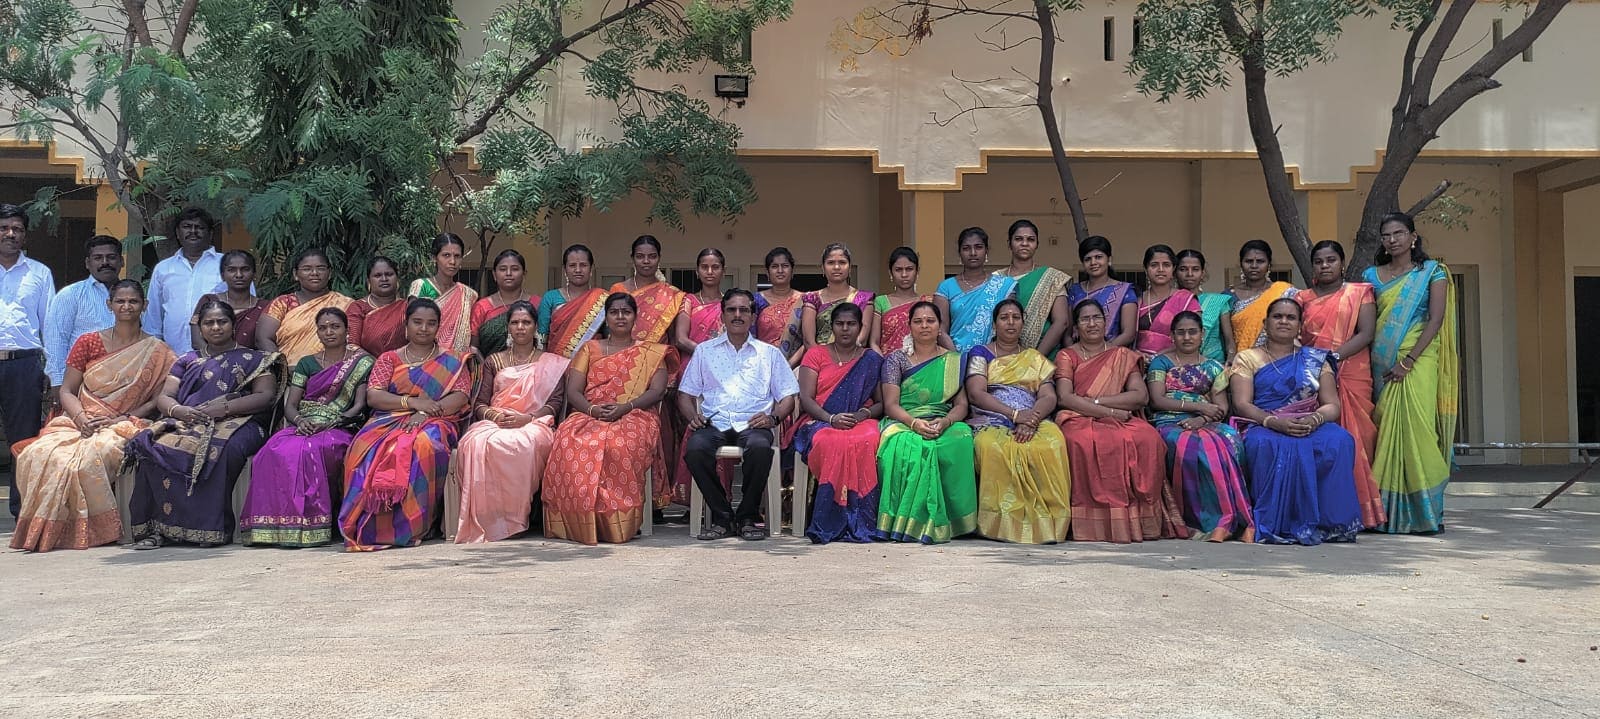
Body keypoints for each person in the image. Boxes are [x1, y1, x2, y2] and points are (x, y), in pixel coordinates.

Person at [11, 280, 174, 551]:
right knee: (38, 453)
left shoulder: (158, 351)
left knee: (96, 454)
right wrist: (81, 419)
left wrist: (123, 418)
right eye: (120, 301)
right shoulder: (88, 342)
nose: (126, 306)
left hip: (126, 422)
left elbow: (157, 399)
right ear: (109, 305)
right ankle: (49, 528)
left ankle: (97, 531)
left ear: (144, 305)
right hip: (80, 420)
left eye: (133, 301)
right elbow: (67, 390)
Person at [125, 301, 281, 548]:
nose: (216, 327)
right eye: (209, 323)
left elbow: (265, 396)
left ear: (233, 325)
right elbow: (166, 397)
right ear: (200, 327)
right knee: (153, 448)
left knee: (222, 450)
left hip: (240, 421)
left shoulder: (255, 358)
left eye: (222, 321)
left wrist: (224, 409)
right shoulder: (187, 360)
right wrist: (180, 411)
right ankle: (156, 530)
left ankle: (209, 529)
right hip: (189, 419)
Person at [340, 299, 478, 551]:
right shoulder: (389, 359)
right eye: (417, 322)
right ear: (406, 325)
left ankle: (413, 525)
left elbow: (460, 397)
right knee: (362, 448)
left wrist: (425, 413)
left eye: (431, 323)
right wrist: (412, 403)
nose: (424, 328)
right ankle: (367, 526)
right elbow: (374, 396)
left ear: (438, 327)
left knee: (424, 444)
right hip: (388, 420)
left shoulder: (453, 360)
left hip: (437, 420)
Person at [1228, 298, 1363, 545]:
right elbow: (1242, 404)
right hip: (1263, 422)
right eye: (1277, 316)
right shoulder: (1247, 358)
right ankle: (1278, 522)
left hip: (1308, 421)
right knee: (1263, 445)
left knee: (1339, 441)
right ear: (1265, 323)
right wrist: (1273, 422)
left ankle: (1330, 523)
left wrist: (1314, 419)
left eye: (1291, 317)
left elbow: (1332, 404)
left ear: (1300, 326)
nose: (1284, 321)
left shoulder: (1315, 359)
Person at [1054, 299, 1186, 543]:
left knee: (1148, 438)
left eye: (1097, 318)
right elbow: (1065, 397)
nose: (1092, 324)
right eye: (1085, 319)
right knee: (1081, 440)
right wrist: (1109, 412)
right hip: (1079, 416)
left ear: (1106, 322)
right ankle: (1094, 524)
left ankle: (1141, 522)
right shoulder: (1067, 355)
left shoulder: (1123, 355)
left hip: (1118, 414)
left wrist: (1099, 402)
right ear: (1076, 327)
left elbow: (1140, 396)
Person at [238, 307, 373, 547]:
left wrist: (332, 422)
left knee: (311, 450)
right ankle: (275, 525)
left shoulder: (361, 363)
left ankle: (314, 525)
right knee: (271, 451)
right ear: (317, 332)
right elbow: (291, 405)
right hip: (304, 424)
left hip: (340, 427)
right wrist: (301, 421)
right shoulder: (307, 363)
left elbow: (359, 405)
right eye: (323, 328)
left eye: (335, 327)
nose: (329, 332)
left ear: (346, 331)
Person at [543, 292, 671, 544]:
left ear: (635, 317)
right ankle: (578, 521)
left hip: (636, 414)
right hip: (590, 412)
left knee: (617, 444)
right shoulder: (590, 349)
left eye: (626, 312)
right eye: (614, 312)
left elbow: (657, 391)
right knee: (567, 440)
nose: (620, 317)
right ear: (606, 317)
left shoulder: (652, 352)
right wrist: (592, 411)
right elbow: (573, 391)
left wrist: (625, 407)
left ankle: (616, 523)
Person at [1363, 212, 1458, 535]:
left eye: (1399, 233)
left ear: (1413, 236)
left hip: (1419, 358)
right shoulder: (1370, 276)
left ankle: (1427, 514)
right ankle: (1385, 513)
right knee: (1387, 430)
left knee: (1418, 428)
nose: (1392, 240)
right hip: (1383, 361)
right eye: (1386, 235)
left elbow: (1435, 319)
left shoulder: (1432, 272)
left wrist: (1409, 361)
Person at [678, 289, 800, 541]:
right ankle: (723, 517)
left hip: (754, 424)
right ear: (722, 315)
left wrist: (773, 418)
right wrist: (692, 417)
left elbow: (788, 395)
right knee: (695, 449)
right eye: (731, 310)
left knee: (760, 448)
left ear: (753, 317)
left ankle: (747, 516)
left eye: (744, 310)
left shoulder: (769, 354)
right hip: (715, 422)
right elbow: (685, 394)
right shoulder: (704, 351)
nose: (737, 315)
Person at [453, 301, 567, 543]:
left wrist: (526, 418)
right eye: (515, 322)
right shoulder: (494, 361)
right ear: (508, 328)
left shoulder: (551, 363)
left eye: (526, 322)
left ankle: (517, 520)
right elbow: (480, 403)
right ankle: (490, 519)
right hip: (497, 420)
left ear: (535, 327)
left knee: (526, 443)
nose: (520, 327)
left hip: (535, 422)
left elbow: (554, 404)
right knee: (474, 443)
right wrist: (496, 416)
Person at [965, 299, 1071, 544]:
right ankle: (1002, 524)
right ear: (994, 324)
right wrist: (1013, 415)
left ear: (1023, 323)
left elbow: (1049, 396)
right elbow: (976, 393)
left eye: (1016, 317)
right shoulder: (981, 353)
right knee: (991, 446)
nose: (1010, 322)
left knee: (1052, 442)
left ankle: (1048, 523)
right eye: (1004, 318)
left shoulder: (1034, 358)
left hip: (1032, 417)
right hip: (992, 418)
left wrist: (1031, 419)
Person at [1298, 240, 1386, 529]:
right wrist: (1319, 366)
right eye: (1319, 261)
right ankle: (1327, 511)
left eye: (1331, 260)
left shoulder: (1360, 293)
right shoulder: (1301, 298)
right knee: (1321, 443)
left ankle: (1363, 512)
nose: (1325, 266)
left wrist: (1332, 359)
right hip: (1313, 378)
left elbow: (1366, 333)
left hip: (1351, 374)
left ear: (1342, 263)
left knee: (1359, 439)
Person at [1146, 311, 1253, 542]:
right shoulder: (1161, 362)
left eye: (1192, 332)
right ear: (1172, 336)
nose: (1187, 337)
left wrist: (1202, 418)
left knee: (1229, 439)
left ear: (1202, 334)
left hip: (1206, 421)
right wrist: (1198, 408)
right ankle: (1197, 520)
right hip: (1169, 420)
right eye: (1181, 333)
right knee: (1187, 446)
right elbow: (1157, 400)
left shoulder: (1214, 367)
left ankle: (1230, 520)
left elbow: (1221, 407)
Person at [876, 302, 976, 544]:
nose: (924, 326)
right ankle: (908, 521)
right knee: (905, 445)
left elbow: (961, 404)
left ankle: (956, 522)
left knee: (961, 438)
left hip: (942, 420)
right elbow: (891, 405)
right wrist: (914, 423)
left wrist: (946, 421)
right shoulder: (896, 359)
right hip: (904, 420)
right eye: (918, 321)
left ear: (940, 326)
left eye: (930, 321)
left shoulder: (953, 361)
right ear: (909, 326)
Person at [794, 302, 884, 544]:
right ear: (831, 326)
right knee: (832, 442)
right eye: (840, 324)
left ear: (860, 327)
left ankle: (863, 519)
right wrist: (831, 418)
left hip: (860, 420)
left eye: (851, 324)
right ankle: (829, 518)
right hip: (820, 419)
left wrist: (862, 415)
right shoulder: (815, 354)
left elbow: (881, 403)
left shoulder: (871, 359)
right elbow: (806, 398)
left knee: (869, 439)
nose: (845, 329)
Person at [609, 235, 686, 505]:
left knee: (661, 436)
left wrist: (671, 376)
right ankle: (623, 497)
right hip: (622, 370)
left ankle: (657, 501)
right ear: (632, 258)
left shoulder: (672, 295)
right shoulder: (618, 289)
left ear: (659, 259)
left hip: (657, 370)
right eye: (640, 256)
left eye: (651, 256)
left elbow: (674, 338)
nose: (646, 261)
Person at [0, 203, 55, 518]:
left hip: (24, 364)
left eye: (17, 229)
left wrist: (52, 370)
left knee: (23, 439)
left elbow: (50, 324)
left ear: (24, 235)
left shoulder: (39, 273)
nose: (10, 234)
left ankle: (22, 512)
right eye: (4, 228)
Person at [143, 207, 233, 353]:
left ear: (210, 234)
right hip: (172, 354)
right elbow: (153, 316)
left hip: (219, 355)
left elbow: (246, 307)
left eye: (199, 227)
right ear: (178, 233)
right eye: (187, 227)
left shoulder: (228, 264)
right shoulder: (163, 268)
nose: (193, 231)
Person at [44, 235, 122, 397]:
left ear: (121, 261)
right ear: (88, 263)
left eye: (111, 257)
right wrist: (58, 383)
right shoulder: (70, 295)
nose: (105, 262)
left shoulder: (132, 296)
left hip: (125, 381)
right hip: (80, 382)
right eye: (98, 258)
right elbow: (56, 340)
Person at [257, 248, 353, 365]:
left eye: (321, 268)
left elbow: (353, 341)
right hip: (288, 370)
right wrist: (282, 368)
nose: (314, 273)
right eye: (307, 269)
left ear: (330, 274)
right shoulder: (282, 304)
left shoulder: (347, 304)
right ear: (295, 274)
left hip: (334, 370)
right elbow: (263, 338)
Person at [935, 228, 1016, 355]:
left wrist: (989, 357)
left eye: (978, 247)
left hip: (995, 357)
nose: (973, 253)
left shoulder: (1004, 286)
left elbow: (1009, 326)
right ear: (959, 253)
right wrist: (958, 359)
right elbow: (940, 330)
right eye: (966, 248)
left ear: (986, 251)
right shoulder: (946, 287)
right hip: (954, 356)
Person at [999, 220, 1071, 354]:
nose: (1024, 243)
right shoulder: (996, 279)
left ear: (1037, 244)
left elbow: (1061, 322)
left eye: (1030, 239)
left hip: (1044, 355)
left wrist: (1035, 358)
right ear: (1009, 244)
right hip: (1001, 354)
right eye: (1018, 239)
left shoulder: (1052, 278)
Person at [407, 233, 479, 353]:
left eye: (457, 256)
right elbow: (411, 327)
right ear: (434, 258)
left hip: (458, 359)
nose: (452, 261)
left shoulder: (468, 294)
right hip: (425, 356)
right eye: (446, 255)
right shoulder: (421, 286)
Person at [1065, 235, 1137, 348]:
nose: (1093, 262)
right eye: (1088, 259)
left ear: (1109, 260)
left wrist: (1101, 352)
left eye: (1098, 257)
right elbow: (1067, 334)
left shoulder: (1124, 291)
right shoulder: (1074, 290)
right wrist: (1075, 353)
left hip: (1112, 353)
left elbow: (1128, 334)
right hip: (1078, 354)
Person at [538, 244, 607, 358]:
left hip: (593, 361)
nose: (578, 270)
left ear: (591, 268)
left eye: (583, 265)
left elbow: (610, 337)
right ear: (565, 269)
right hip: (556, 363)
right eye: (572, 265)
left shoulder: (602, 298)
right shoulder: (550, 298)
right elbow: (542, 340)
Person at [1228, 239, 1298, 350]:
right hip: (1242, 357)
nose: (1254, 266)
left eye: (1260, 261)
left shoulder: (1285, 292)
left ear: (1269, 265)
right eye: (1249, 261)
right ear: (1241, 264)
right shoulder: (1228, 296)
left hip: (1280, 355)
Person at [802, 243, 875, 348]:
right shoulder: (813, 299)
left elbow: (862, 340)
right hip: (818, 356)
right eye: (831, 263)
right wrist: (822, 356)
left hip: (853, 355)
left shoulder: (864, 298)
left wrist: (842, 355)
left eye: (842, 262)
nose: (836, 267)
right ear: (823, 268)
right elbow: (808, 342)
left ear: (850, 268)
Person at [188, 250, 263, 351]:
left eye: (245, 269)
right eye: (231, 270)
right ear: (223, 275)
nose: (239, 275)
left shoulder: (265, 307)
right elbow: (197, 341)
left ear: (254, 275)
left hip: (254, 360)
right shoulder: (209, 301)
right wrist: (219, 359)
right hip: (210, 360)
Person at [869, 247, 938, 356]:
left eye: (909, 269)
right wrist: (884, 363)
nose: (904, 275)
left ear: (917, 271)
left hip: (922, 363)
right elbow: (874, 343)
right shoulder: (880, 302)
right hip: (887, 362)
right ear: (890, 272)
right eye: (898, 270)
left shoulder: (928, 302)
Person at [1136, 244, 1200, 357]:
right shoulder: (1136, 300)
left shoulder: (1186, 299)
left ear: (1173, 269)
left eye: (1166, 265)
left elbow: (1194, 336)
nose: (1160, 270)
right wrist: (1136, 355)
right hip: (1138, 361)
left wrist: (1157, 357)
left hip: (1175, 361)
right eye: (1154, 265)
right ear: (1146, 269)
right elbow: (1128, 336)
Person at [1174, 249, 1236, 364]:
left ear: (1202, 273)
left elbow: (1229, 340)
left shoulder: (1218, 301)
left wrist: (1230, 361)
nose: (1189, 274)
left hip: (1215, 365)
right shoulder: (1169, 303)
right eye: (1183, 269)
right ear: (1175, 272)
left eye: (1195, 269)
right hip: (1176, 365)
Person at [471, 249, 535, 358]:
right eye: (503, 269)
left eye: (515, 269)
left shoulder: (537, 304)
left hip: (532, 367)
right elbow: (473, 347)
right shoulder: (482, 307)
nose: (508, 273)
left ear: (524, 274)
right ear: (494, 274)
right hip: (489, 367)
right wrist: (486, 366)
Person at [753, 247, 805, 367]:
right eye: (774, 266)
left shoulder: (804, 300)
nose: (780, 270)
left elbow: (809, 339)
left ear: (792, 271)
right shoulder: (756, 300)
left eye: (785, 266)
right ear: (767, 272)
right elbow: (750, 337)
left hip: (796, 368)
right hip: (762, 365)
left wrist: (787, 366)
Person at [346, 256, 407, 357]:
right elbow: (351, 345)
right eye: (377, 275)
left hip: (405, 363)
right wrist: (378, 363)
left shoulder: (407, 307)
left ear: (397, 279)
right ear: (369, 281)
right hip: (367, 364)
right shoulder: (358, 308)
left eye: (389, 274)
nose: (384, 279)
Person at [676, 247, 728, 356]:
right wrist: (707, 355)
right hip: (693, 361)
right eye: (704, 267)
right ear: (697, 271)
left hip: (724, 362)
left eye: (715, 267)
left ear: (724, 271)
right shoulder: (688, 301)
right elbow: (681, 340)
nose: (710, 272)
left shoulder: (729, 303)